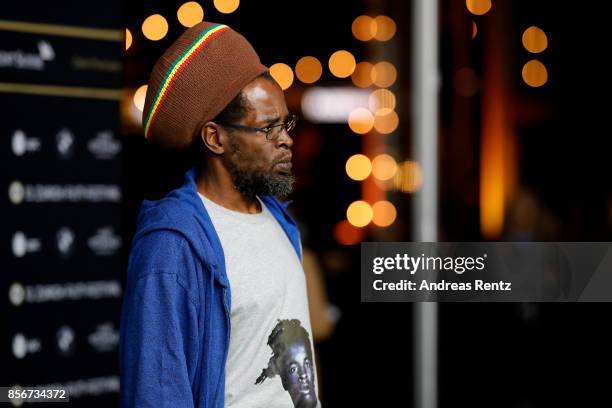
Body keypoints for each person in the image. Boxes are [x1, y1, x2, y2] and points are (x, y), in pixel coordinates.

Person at [119, 22, 320, 407]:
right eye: (268, 128)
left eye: (286, 123)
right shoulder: (172, 246)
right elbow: (156, 393)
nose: (287, 138)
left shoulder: (278, 219)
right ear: (215, 138)